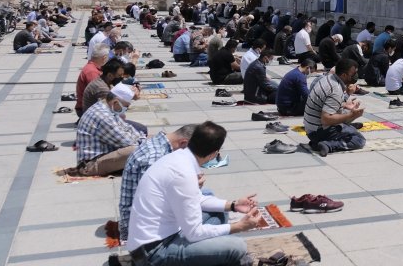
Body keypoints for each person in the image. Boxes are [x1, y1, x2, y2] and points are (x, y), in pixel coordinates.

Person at [126, 122, 263, 265]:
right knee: (237, 247)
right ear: (213, 154)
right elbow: (194, 233)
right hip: (153, 252)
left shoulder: (179, 157)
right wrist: (239, 226)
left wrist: (233, 205)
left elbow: (197, 199)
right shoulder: (183, 173)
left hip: (163, 236)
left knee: (219, 212)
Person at [118, 124, 197, 243]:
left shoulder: (159, 143)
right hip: (143, 228)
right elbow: (153, 202)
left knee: (206, 201)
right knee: (211, 219)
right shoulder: (155, 157)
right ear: (183, 143)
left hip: (142, 216)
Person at [66, 83, 146, 177]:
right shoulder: (104, 117)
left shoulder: (105, 107)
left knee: (153, 139)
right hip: (90, 165)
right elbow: (128, 142)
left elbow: (127, 128)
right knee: (136, 150)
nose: (125, 109)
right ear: (115, 102)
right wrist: (144, 141)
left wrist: (143, 139)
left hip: (104, 155)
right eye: (126, 106)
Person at [302, 58, 367, 156]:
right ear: (344, 75)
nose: (355, 77)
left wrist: (347, 97)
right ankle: (328, 145)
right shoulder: (335, 89)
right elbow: (326, 119)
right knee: (359, 140)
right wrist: (351, 115)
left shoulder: (328, 78)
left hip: (310, 128)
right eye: (353, 74)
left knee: (346, 120)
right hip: (318, 130)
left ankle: (317, 143)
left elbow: (329, 103)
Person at [76, 47, 110, 114]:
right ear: (104, 57)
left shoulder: (92, 67)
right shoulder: (92, 72)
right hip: (86, 110)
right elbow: (99, 91)